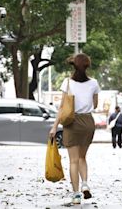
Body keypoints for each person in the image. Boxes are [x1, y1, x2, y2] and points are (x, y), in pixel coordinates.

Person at [49, 53, 100, 205]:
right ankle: (85, 183)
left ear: (74, 65)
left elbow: (63, 107)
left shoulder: (67, 83)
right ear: (87, 66)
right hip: (88, 122)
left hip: (72, 122)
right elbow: (95, 105)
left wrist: (54, 127)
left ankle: (76, 194)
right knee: (83, 157)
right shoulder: (94, 83)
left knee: (73, 160)